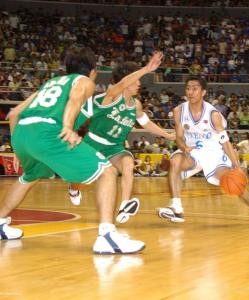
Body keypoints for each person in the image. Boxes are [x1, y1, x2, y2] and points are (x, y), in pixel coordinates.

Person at [0, 47, 145, 254]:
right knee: (108, 172)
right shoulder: (84, 82)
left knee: (29, 177)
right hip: (49, 133)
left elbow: (14, 114)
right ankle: (107, 236)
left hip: (24, 134)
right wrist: (68, 127)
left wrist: (18, 148)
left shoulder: (49, 84)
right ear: (93, 71)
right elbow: (76, 99)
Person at [68, 52, 175, 223]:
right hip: (93, 144)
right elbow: (123, 82)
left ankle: (125, 205)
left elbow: (146, 123)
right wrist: (147, 68)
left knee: (128, 163)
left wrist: (167, 134)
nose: (139, 83)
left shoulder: (136, 105)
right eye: (136, 79)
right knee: (82, 181)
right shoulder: (111, 95)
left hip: (115, 147)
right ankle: (73, 188)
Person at [157, 76, 249, 226]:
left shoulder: (213, 115)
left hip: (213, 152)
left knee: (232, 182)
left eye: (194, 88)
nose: (190, 92)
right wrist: (183, 148)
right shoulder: (179, 111)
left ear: (203, 92)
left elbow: (225, 142)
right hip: (192, 151)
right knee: (175, 161)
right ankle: (176, 208)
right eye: (188, 88)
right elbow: (179, 137)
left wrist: (236, 165)